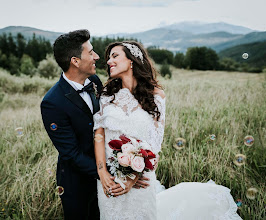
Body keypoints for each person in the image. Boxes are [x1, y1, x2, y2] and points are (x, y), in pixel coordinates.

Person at [93, 41, 242, 219]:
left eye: (115, 56)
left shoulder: (155, 96)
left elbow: (155, 144)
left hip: (140, 180)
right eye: (108, 58)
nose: (109, 61)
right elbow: (99, 134)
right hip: (109, 180)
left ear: (131, 60)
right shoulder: (106, 96)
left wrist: (132, 179)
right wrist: (102, 172)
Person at [40, 29, 105, 219]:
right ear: (75, 61)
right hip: (77, 185)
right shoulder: (52, 102)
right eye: (91, 52)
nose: (97, 56)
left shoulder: (94, 81)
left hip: (105, 173)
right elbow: (71, 153)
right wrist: (106, 173)